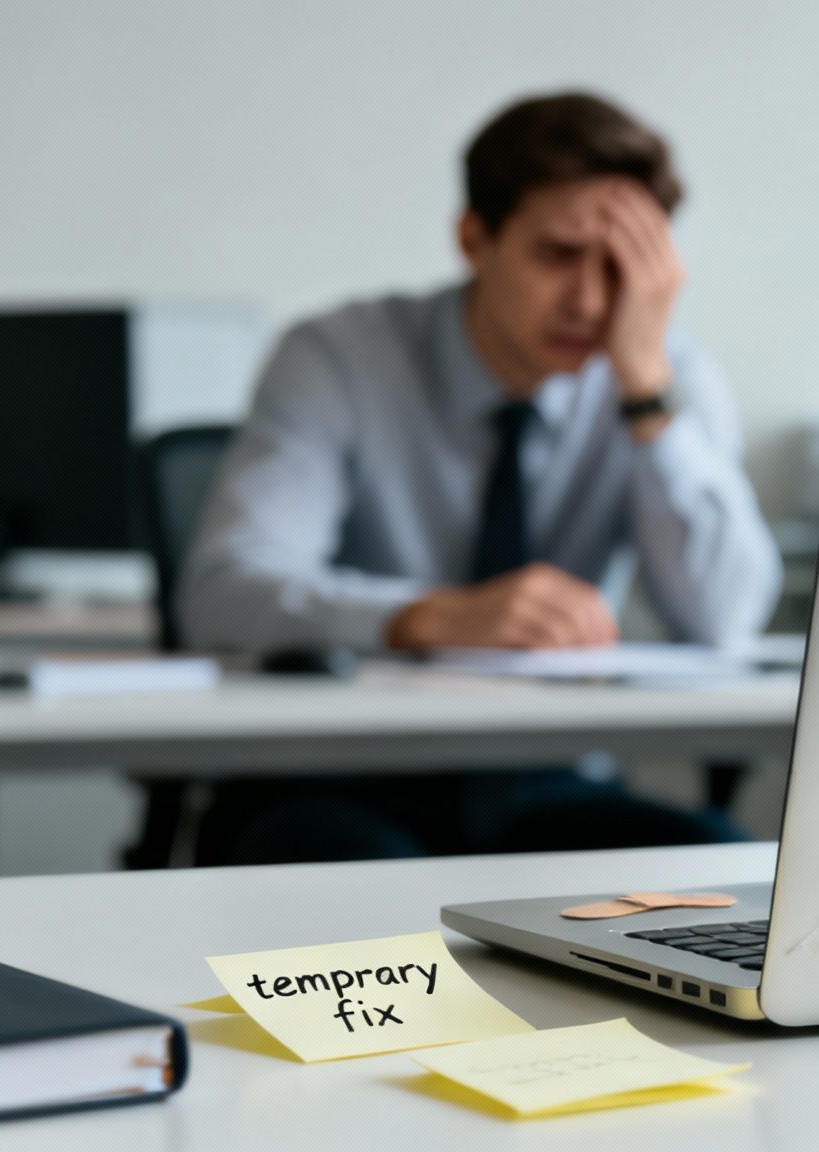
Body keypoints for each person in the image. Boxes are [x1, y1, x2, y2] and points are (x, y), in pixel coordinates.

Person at [178, 92, 780, 864]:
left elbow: (727, 618)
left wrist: (646, 396)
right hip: (335, 776)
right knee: (372, 897)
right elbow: (225, 592)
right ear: (474, 238)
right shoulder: (339, 357)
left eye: (623, 268)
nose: (593, 301)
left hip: (544, 780)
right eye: (559, 255)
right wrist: (427, 617)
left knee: (727, 871)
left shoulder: (664, 375)